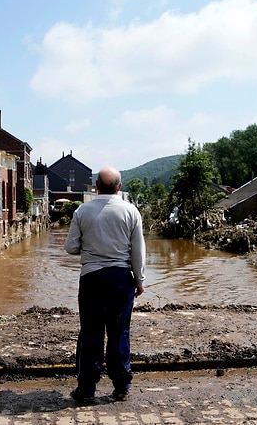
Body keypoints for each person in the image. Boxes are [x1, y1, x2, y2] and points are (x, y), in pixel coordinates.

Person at [64, 166, 146, 404]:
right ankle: (121, 387)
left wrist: (90, 248)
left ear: (96, 186)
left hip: (92, 278)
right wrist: (139, 281)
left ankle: (87, 389)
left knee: (91, 333)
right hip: (121, 280)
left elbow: (70, 247)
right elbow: (139, 251)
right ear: (119, 187)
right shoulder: (131, 211)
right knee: (120, 332)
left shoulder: (82, 211)